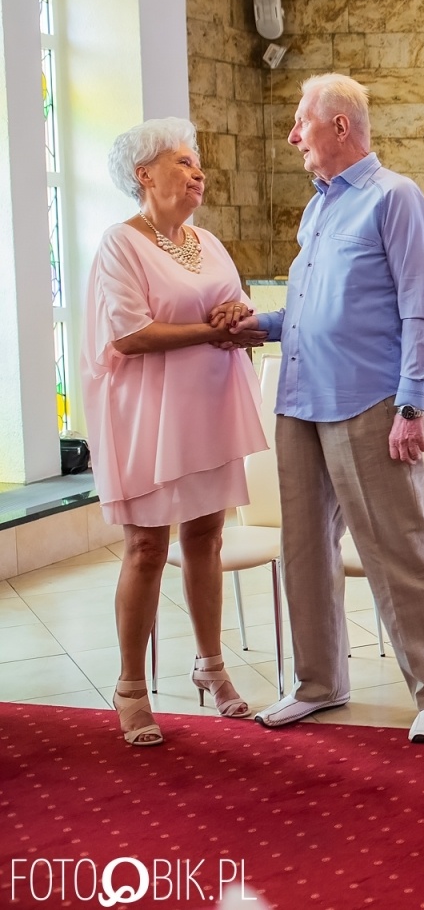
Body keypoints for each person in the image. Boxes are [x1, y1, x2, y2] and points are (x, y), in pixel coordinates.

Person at [231, 74, 424, 744]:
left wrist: (412, 403)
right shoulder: (318, 207)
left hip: (368, 401)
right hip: (299, 401)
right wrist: (257, 325)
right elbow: (309, 309)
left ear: (340, 126)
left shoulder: (396, 199)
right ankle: (318, 682)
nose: (293, 135)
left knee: (398, 546)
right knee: (302, 548)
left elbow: (420, 308)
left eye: (302, 122)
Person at [82, 117, 268, 745]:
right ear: (145, 175)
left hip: (206, 408)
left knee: (206, 539)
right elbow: (130, 335)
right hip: (148, 416)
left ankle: (210, 667)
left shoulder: (207, 241)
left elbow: (233, 302)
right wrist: (212, 331)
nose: (198, 173)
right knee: (146, 548)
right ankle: (130, 685)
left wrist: (235, 312)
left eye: (198, 163)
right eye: (184, 162)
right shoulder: (121, 243)